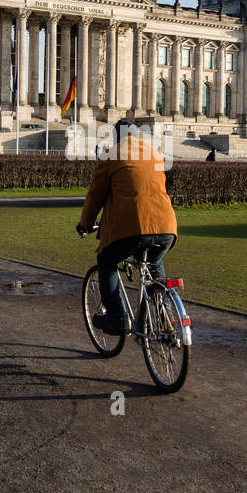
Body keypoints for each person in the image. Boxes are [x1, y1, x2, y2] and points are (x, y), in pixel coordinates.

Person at [77, 119, 177, 336]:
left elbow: (95, 196)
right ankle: (165, 314)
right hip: (167, 227)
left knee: (106, 261)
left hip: (132, 230)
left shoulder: (111, 155)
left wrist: (84, 224)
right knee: (154, 262)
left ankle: (115, 317)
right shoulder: (153, 153)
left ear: (117, 137)